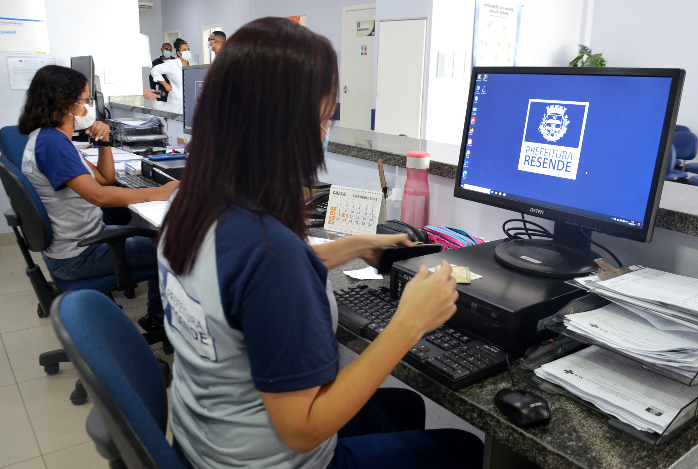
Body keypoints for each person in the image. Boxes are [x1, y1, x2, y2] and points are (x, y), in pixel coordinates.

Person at [158, 17, 483, 469]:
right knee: (464, 448)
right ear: (286, 126)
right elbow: (302, 427)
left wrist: (355, 245)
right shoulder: (271, 254)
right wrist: (409, 322)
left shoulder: (190, 204)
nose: (327, 130)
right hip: (272, 458)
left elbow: (241, 281)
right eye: (326, 117)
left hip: (204, 442)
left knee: (405, 409)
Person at [17, 65, 179, 331]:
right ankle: (159, 320)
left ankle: (158, 316)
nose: (89, 107)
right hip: (79, 254)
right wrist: (159, 192)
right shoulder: (54, 144)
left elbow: (103, 179)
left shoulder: (50, 138)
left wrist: (104, 142)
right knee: (174, 251)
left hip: (78, 240)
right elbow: (99, 196)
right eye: (85, 100)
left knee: (155, 235)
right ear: (65, 104)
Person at [150, 38, 197, 104]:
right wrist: (165, 84)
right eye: (184, 50)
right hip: (176, 101)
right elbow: (154, 70)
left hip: (190, 100)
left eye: (188, 49)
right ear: (179, 53)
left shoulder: (194, 64)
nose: (187, 51)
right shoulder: (172, 64)